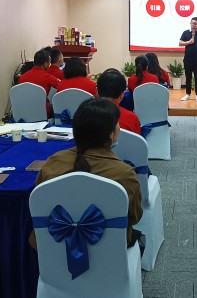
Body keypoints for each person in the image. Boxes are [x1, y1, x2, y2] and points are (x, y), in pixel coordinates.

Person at [35, 98, 143, 247]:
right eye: (117, 123)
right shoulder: (124, 173)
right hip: (111, 247)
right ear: (111, 134)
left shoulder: (53, 162)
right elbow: (135, 217)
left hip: (56, 243)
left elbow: (39, 205)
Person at [97, 69, 141, 135]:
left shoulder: (85, 116)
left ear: (97, 92)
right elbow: (138, 140)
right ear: (122, 95)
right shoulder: (131, 118)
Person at [18, 49, 60, 115]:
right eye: (49, 62)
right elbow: (62, 86)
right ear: (45, 64)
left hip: (24, 112)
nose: (50, 65)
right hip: (43, 112)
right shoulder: (47, 77)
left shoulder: (22, 77)